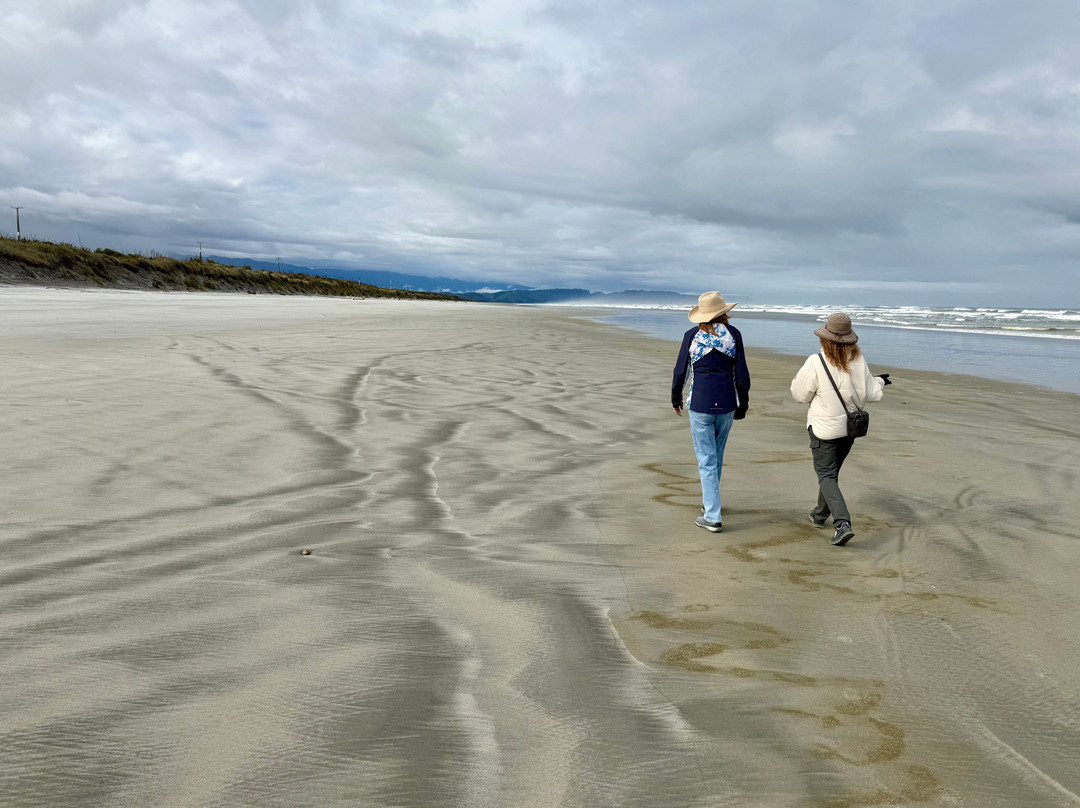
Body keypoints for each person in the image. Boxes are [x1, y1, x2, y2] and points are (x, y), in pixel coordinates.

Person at [790, 313, 891, 546]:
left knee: (826, 475)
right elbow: (872, 394)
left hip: (824, 429)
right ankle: (819, 515)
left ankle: (842, 523)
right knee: (831, 476)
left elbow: (800, 395)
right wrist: (880, 381)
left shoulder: (816, 361)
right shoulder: (858, 361)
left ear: (825, 338)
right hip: (849, 429)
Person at [671, 292, 751, 533]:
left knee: (706, 459)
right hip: (727, 403)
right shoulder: (734, 334)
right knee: (716, 455)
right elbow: (743, 376)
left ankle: (713, 515)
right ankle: (710, 505)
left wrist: (675, 399)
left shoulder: (691, 336)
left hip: (700, 404)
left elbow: (680, 372)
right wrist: (742, 405)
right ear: (723, 312)